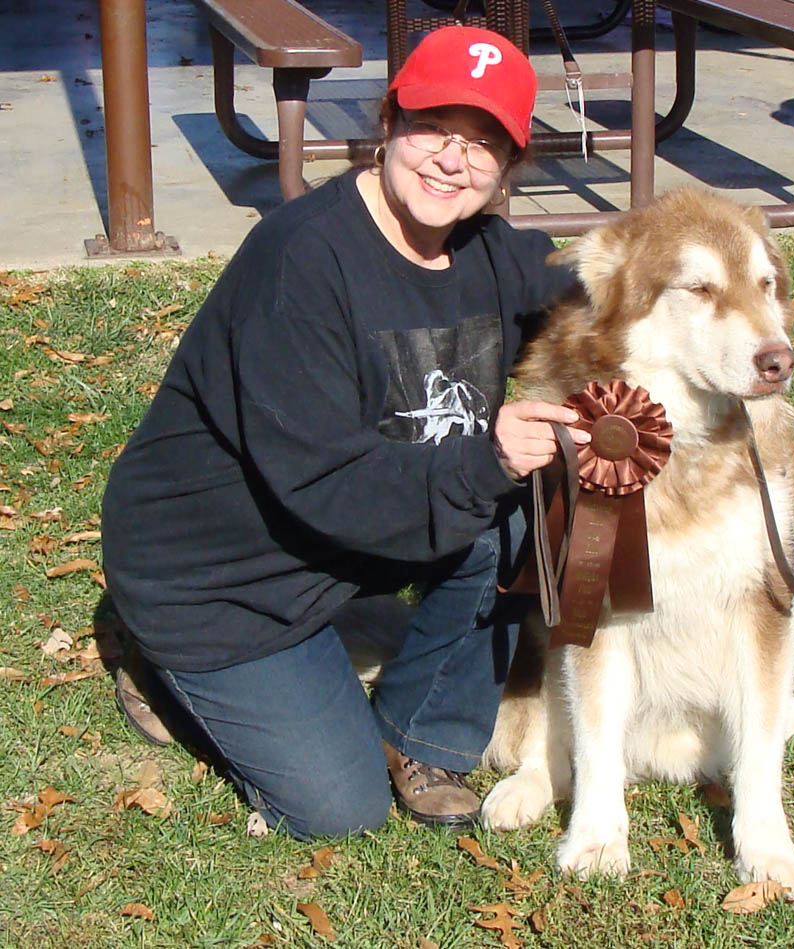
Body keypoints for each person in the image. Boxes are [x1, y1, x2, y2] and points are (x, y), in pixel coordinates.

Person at [100, 25, 589, 840]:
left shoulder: (489, 253)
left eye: (483, 143)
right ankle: (162, 674)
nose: (452, 159)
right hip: (222, 579)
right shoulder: (302, 261)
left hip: (347, 538)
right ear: (390, 121)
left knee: (521, 505)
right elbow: (330, 485)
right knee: (339, 808)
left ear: (508, 166)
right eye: (435, 127)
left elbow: (599, 299)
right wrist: (489, 458)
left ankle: (420, 734)